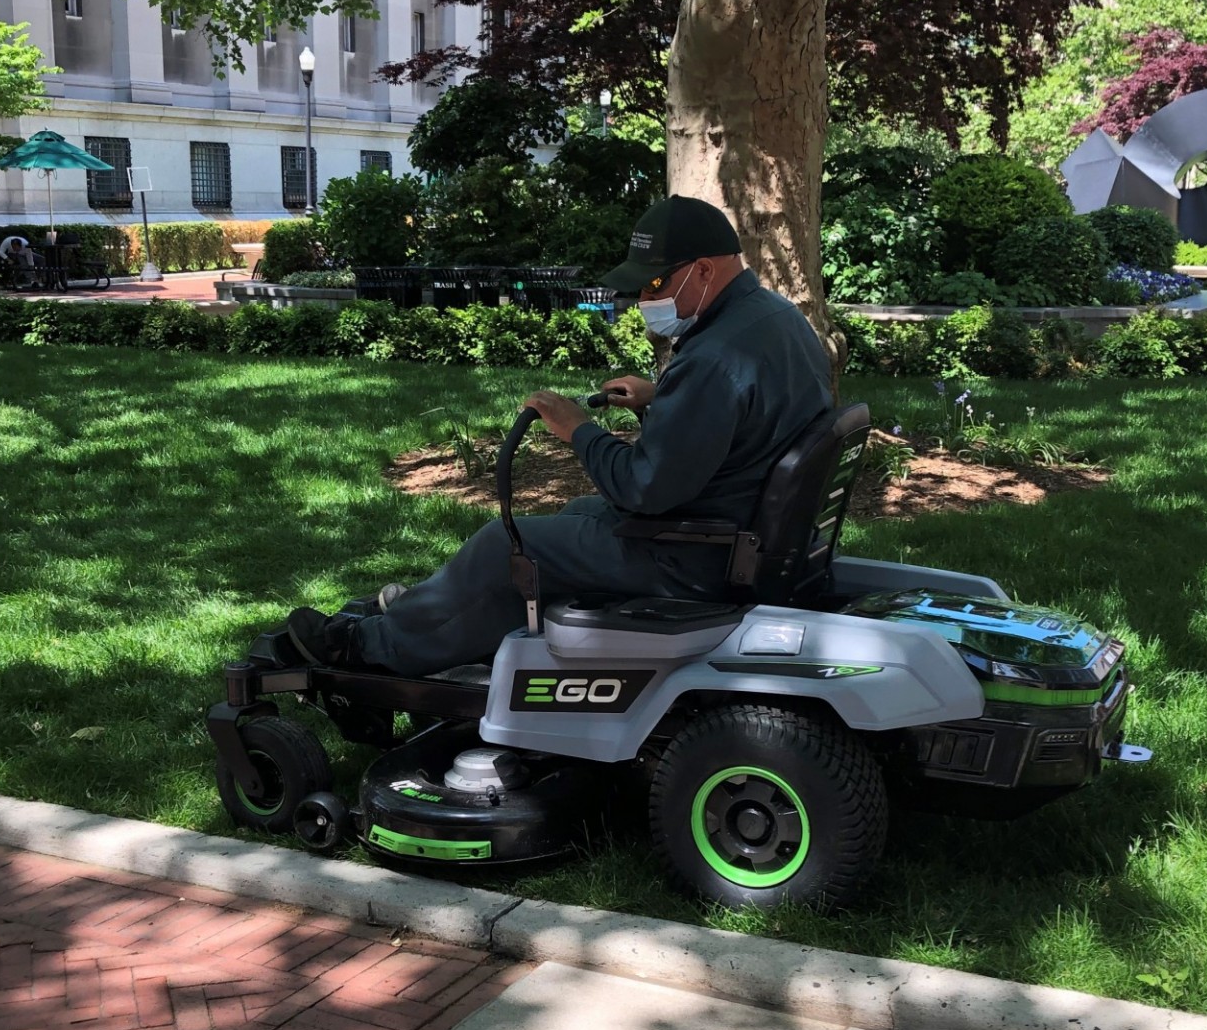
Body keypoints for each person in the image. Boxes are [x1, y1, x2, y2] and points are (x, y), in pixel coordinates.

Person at [278, 195, 834, 677]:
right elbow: (739, 429)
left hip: (695, 560)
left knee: (506, 546)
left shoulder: (713, 358)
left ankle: (371, 647)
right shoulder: (775, 321)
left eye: (657, 282)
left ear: (706, 272)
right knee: (575, 515)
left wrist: (579, 430)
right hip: (740, 534)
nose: (644, 298)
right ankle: (433, 615)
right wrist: (658, 399)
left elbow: (645, 490)